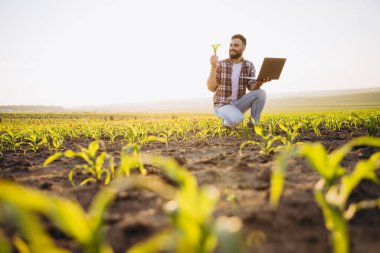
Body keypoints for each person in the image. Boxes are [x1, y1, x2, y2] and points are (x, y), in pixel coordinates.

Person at [207, 34, 270, 128]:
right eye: (231, 45)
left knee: (261, 93)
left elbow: (251, 87)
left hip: (239, 103)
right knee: (238, 119)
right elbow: (211, 87)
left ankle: (253, 124)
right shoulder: (220, 64)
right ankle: (226, 123)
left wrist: (259, 83)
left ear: (243, 48)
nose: (232, 48)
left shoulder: (249, 65)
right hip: (222, 104)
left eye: (236, 45)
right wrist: (213, 67)